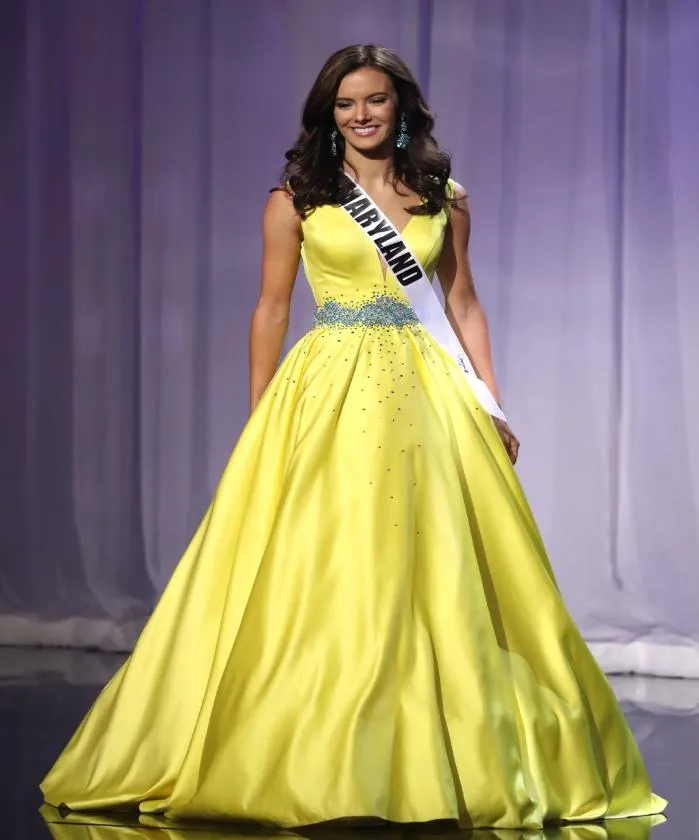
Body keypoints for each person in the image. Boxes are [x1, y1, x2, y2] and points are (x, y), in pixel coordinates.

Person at [41, 44, 666, 830]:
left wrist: (492, 404)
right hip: (328, 385)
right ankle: (304, 751)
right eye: (344, 104)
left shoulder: (445, 196)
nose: (360, 115)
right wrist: (260, 413)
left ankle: (442, 749)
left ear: (400, 107)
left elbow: (463, 304)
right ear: (327, 114)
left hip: (426, 393)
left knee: (433, 565)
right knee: (325, 559)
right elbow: (269, 309)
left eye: (373, 100)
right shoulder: (296, 197)